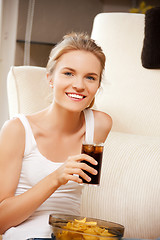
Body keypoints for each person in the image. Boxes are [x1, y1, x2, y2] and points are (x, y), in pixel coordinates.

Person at [0, 32, 112, 239]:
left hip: (71, 235)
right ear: (50, 78)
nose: (79, 85)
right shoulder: (17, 130)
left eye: (90, 77)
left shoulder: (100, 125)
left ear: (97, 86)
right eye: (68, 73)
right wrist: (56, 177)